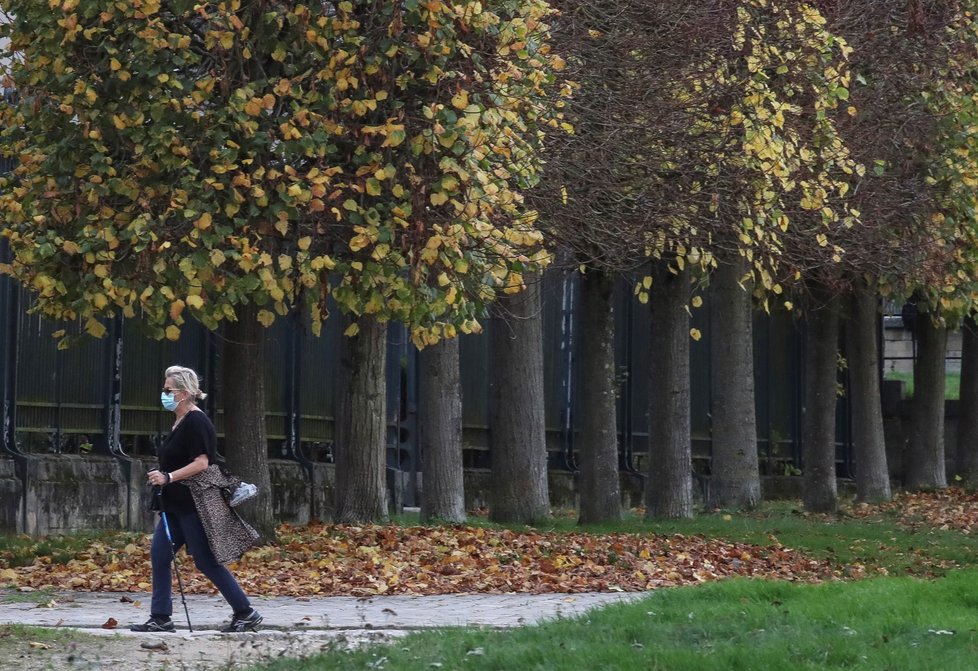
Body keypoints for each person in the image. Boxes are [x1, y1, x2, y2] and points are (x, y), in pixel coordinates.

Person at [130, 365, 263, 633]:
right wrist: (162, 475)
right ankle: (161, 617)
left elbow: (202, 463)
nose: (164, 394)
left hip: (194, 504)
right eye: (164, 389)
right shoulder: (179, 421)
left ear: (185, 392)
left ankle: (245, 612)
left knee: (205, 560)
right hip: (174, 504)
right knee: (159, 555)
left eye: (169, 390)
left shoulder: (196, 421)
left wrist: (168, 477)